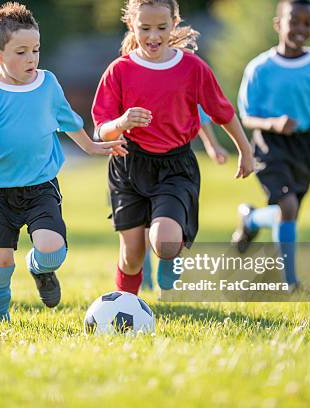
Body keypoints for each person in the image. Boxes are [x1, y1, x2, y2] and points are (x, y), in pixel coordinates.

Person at [0, 2, 127, 324]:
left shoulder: (47, 84)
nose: (31, 58)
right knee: (0, 263)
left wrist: (92, 147)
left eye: (36, 49)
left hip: (40, 186)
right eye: (21, 52)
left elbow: (67, 121)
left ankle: (39, 269)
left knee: (52, 249)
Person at [92, 0, 254, 294]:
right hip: (128, 164)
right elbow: (101, 129)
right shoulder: (119, 70)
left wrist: (245, 150)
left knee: (164, 243)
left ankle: (171, 255)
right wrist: (123, 121)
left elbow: (222, 111)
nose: (153, 36)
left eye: (161, 28)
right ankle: (127, 307)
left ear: (174, 24)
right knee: (131, 258)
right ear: (131, 26)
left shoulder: (192, 68)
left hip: (175, 167)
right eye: (145, 28)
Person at [231, 0, 310, 288]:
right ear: (278, 24)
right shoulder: (259, 68)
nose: (300, 29)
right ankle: (290, 282)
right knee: (288, 205)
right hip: (268, 145)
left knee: (287, 212)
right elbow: (246, 115)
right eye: (294, 21)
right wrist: (273, 123)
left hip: (306, 145)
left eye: (307, 23)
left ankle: (252, 219)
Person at [141, 106, 227, 291]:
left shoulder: (177, 78)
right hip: (132, 161)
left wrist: (212, 145)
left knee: (166, 217)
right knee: (139, 225)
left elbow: (198, 111)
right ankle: (143, 279)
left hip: (171, 162)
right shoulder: (123, 78)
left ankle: (169, 255)